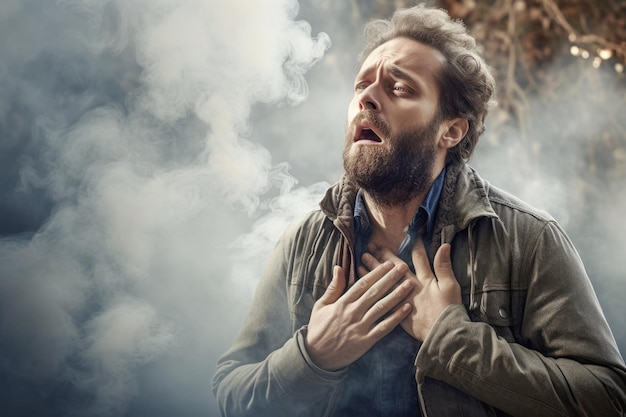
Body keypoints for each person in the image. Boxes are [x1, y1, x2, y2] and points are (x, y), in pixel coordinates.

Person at [212, 4, 626, 416]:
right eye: (361, 86)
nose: (367, 98)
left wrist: (451, 339)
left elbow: (608, 399)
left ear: (451, 130)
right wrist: (313, 356)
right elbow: (231, 393)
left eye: (400, 88)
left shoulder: (528, 239)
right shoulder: (302, 241)